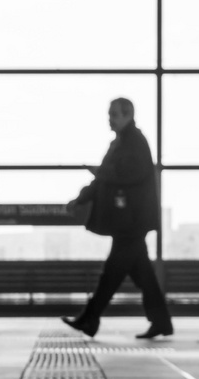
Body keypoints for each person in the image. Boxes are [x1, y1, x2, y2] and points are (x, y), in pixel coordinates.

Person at [61, 98, 173, 340]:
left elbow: (124, 174)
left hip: (130, 222)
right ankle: (161, 321)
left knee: (111, 274)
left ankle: (89, 318)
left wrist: (96, 180)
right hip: (129, 222)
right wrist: (80, 198)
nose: (110, 119)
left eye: (114, 114)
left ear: (128, 115)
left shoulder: (134, 143)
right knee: (142, 274)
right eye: (109, 114)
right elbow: (104, 178)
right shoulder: (122, 143)